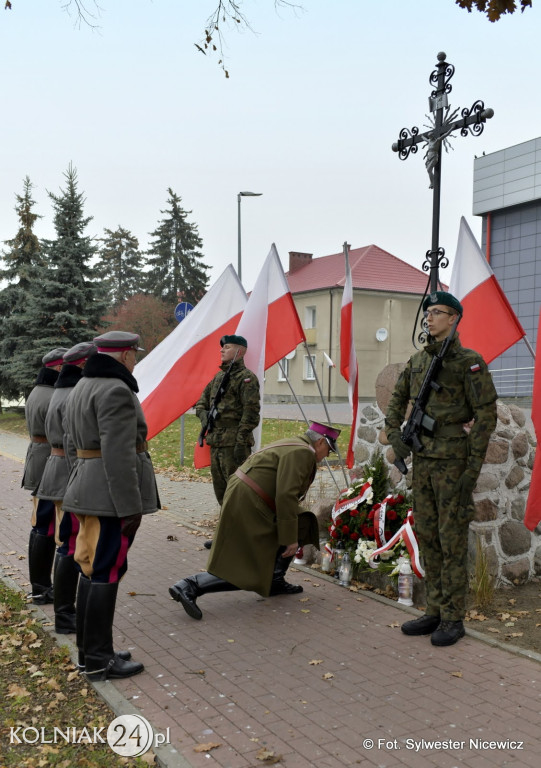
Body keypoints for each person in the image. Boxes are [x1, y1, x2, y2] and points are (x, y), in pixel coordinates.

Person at [385, 291, 497, 647]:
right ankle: (434, 609)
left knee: (452, 542)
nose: (429, 318)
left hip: (453, 463)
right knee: (429, 537)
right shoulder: (417, 361)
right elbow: (396, 400)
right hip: (425, 463)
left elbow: (486, 416)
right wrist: (394, 435)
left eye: (437, 312)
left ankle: (453, 617)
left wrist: (471, 469)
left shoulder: (469, 362)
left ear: (454, 319)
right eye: (428, 312)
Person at [169, 422, 340, 620]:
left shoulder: (296, 444)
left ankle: (274, 581)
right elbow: (286, 496)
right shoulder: (303, 453)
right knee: (250, 566)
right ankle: (190, 586)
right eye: (328, 449)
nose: (327, 455)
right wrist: (289, 539)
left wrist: (290, 533)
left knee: (304, 522)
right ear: (320, 442)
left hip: (250, 496)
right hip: (251, 500)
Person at [63, 331, 159, 681]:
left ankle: (90, 652)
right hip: (108, 496)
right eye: (135, 353)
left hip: (87, 489)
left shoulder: (82, 387)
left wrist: (81, 481)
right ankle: (100, 661)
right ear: (123, 356)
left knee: (92, 569)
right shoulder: (116, 390)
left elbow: (73, 445)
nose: (136, 358)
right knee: (105, 571)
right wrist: (129, 507)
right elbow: (118, 457)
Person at [36, 341, 96, 634]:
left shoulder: (60, 390)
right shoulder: (71, 393)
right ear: (83, 365)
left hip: (57, 468)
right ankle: (65, 616)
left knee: (66, 541)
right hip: (68, 473)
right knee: (70, 543)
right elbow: (73, 442)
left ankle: (63, 613)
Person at [23, 347, 68, 604]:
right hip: (49, 460)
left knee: (42, 524)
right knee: (47, 525)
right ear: (60, 368)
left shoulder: (39, 391)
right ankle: (42, 588)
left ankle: (40, 586)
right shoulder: (52, 395)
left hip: (39, 458)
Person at [196, 334, 260, 506]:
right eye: (222, 347)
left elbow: (251, 413)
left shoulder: (247, 378)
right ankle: (227, 527)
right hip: (216, 442)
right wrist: (204, 418)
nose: (222, 350)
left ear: (239, 351)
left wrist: (240, 443)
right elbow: (201, 402)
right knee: (221, 493)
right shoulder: (218, 378)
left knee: (238, 492)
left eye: (227, 347)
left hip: (234, 444)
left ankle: (242, 529)